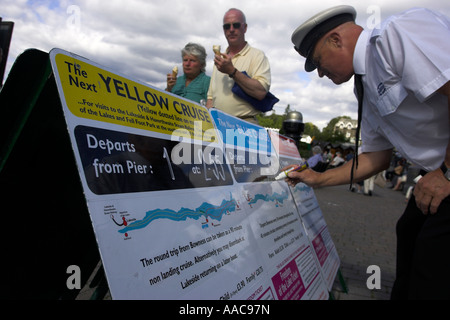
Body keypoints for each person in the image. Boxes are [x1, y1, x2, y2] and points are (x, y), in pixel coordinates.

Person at [289, 5, 450, 299]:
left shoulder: (396, 36)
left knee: (431, 263)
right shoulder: (364, 86)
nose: (322, 74)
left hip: (446, 173)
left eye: (319, 62)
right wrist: (318, 179)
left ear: (337, 39)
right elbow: (376, 157)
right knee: (410, 236)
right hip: (437, 173)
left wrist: (447, 174)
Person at [206, 8, 271, 123]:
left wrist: (232, 71)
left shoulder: (257, 56)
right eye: (227, 26)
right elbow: (210, 98)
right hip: (217, 124)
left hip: (244, 125)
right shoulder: (220, 60)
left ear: (245, 28)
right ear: (223, 30)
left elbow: (261, 93)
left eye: (236, 25)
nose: (231, 30)